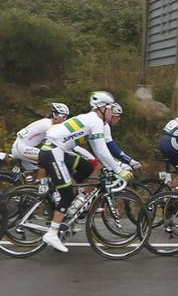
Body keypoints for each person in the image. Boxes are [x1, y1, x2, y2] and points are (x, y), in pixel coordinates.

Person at [35, 91, 135, 252]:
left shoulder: (95, 121)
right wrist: (118, 169)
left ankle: (77, 203)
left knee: (88, 169)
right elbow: (102, 151)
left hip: (58, 151)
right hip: (52, 152)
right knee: (67, 193)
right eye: (110, 108)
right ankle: (52, 233)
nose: (112, 111)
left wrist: (115, 166)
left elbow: (97, 149)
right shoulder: (94, 121)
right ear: (102, 108)